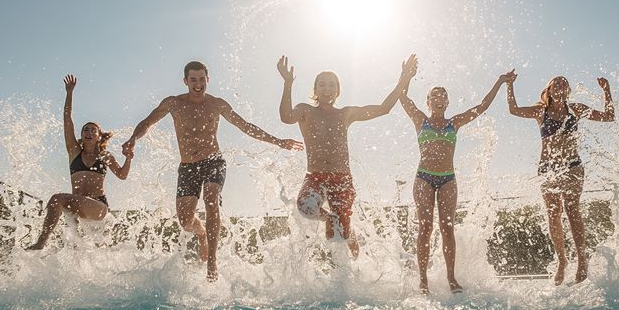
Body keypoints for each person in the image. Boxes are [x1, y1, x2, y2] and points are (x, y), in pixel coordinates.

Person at [122, 61, 302, 281]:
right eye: (193, 79)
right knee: (186, 220)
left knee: (211, 199)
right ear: (185, 81)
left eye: (201, 79)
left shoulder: (217, 104)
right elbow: (147, 123)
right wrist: (133, 139)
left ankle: (213, 261)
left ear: (208, 79)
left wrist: (277, 141)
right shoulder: (173, 103)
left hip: (213, 162)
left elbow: (245, 126)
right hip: (187, 167)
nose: (198, 84)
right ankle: (202, 235)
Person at [277, 54, 418, 260]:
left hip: (342, 180)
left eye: (332, 85)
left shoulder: (345, 114)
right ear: (315, 90)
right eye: (322, 85)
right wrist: (288, 83)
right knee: (306, 207)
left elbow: (383, 109)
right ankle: (330, 219)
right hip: (315, 177)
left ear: (338, 90)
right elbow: (286, 117)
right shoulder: (305, 110)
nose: (327, 89)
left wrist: (404, 79)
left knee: (340, 235)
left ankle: (352, 265)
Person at [399, 70, 515, 294]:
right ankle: (423, 280)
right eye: (435, 95)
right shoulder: (420, 120)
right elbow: (402, 97)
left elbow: (481, 107)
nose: (439, 99)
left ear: (447, 101)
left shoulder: (455, 123)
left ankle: (451, 278)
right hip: (423, 177)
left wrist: (500, 81)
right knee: (425, 227)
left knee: (447, 228)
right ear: (428, 101)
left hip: (447, 180)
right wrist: (407, 75)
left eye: (443, 96)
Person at [507, 75, 614, 284]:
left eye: (564, 83)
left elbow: (609, 116)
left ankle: (582, 260)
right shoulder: (541, 111)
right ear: (549, 89)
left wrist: (606, 90)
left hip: (572, 166)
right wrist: (509, 85)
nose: (560, 85)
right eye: (556, 83)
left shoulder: (576, 109)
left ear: (568, 90)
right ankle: (562, 260)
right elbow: (513, 109)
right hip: (548, 169)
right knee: (553, 214)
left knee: (573, 211)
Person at [28, 75, 132, 250]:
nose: (89, 132)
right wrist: (69, 93)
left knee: (56, 198)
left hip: (98, 207)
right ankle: (44, 243)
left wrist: (129, 158)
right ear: (82, 135)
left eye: (93, 130)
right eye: (85, 130)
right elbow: (67, 119)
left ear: (99, 136)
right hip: (77, 208)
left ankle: (40, 244)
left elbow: (122, 175)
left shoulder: (104, 156)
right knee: (83, 250)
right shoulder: (74, 152)